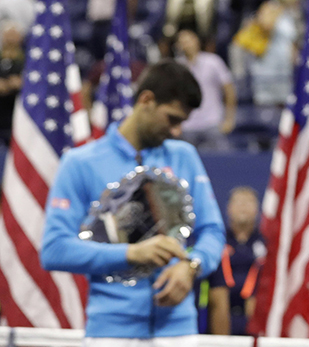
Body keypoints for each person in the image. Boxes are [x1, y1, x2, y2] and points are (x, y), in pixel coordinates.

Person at [41, 61, 226, 340]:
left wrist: (191, 266)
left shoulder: (184, 156)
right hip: (111, 331)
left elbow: (212, 231)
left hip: (179, 330)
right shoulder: (80, 163)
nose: (177, 131)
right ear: (146, 100)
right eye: (172, 119)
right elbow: (54, 250)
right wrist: (131, 254)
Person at [207, 186, 266, 336]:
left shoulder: (267, 243)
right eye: (238, 202)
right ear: (228, 208)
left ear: (257, 209)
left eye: (248, 202)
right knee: (218, 294)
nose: (243, 207)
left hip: (254, 311)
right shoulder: (216, 241)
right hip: (220, 312)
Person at [173, 29, 236, 150]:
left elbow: (229, 91)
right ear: (178, 46)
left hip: (212, 123)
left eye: (189, 40)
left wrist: (229, 119)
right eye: (182, 42)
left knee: (221, 161)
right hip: (188, 126)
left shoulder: (213, 62)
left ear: (196, 41)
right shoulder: (177, 67)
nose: (186, 44)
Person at [0, 20, 25, 146]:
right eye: (8, 34)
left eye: (14, 34)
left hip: (18, 117)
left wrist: (22, 83)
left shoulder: (27, 60)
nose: (11, 38)